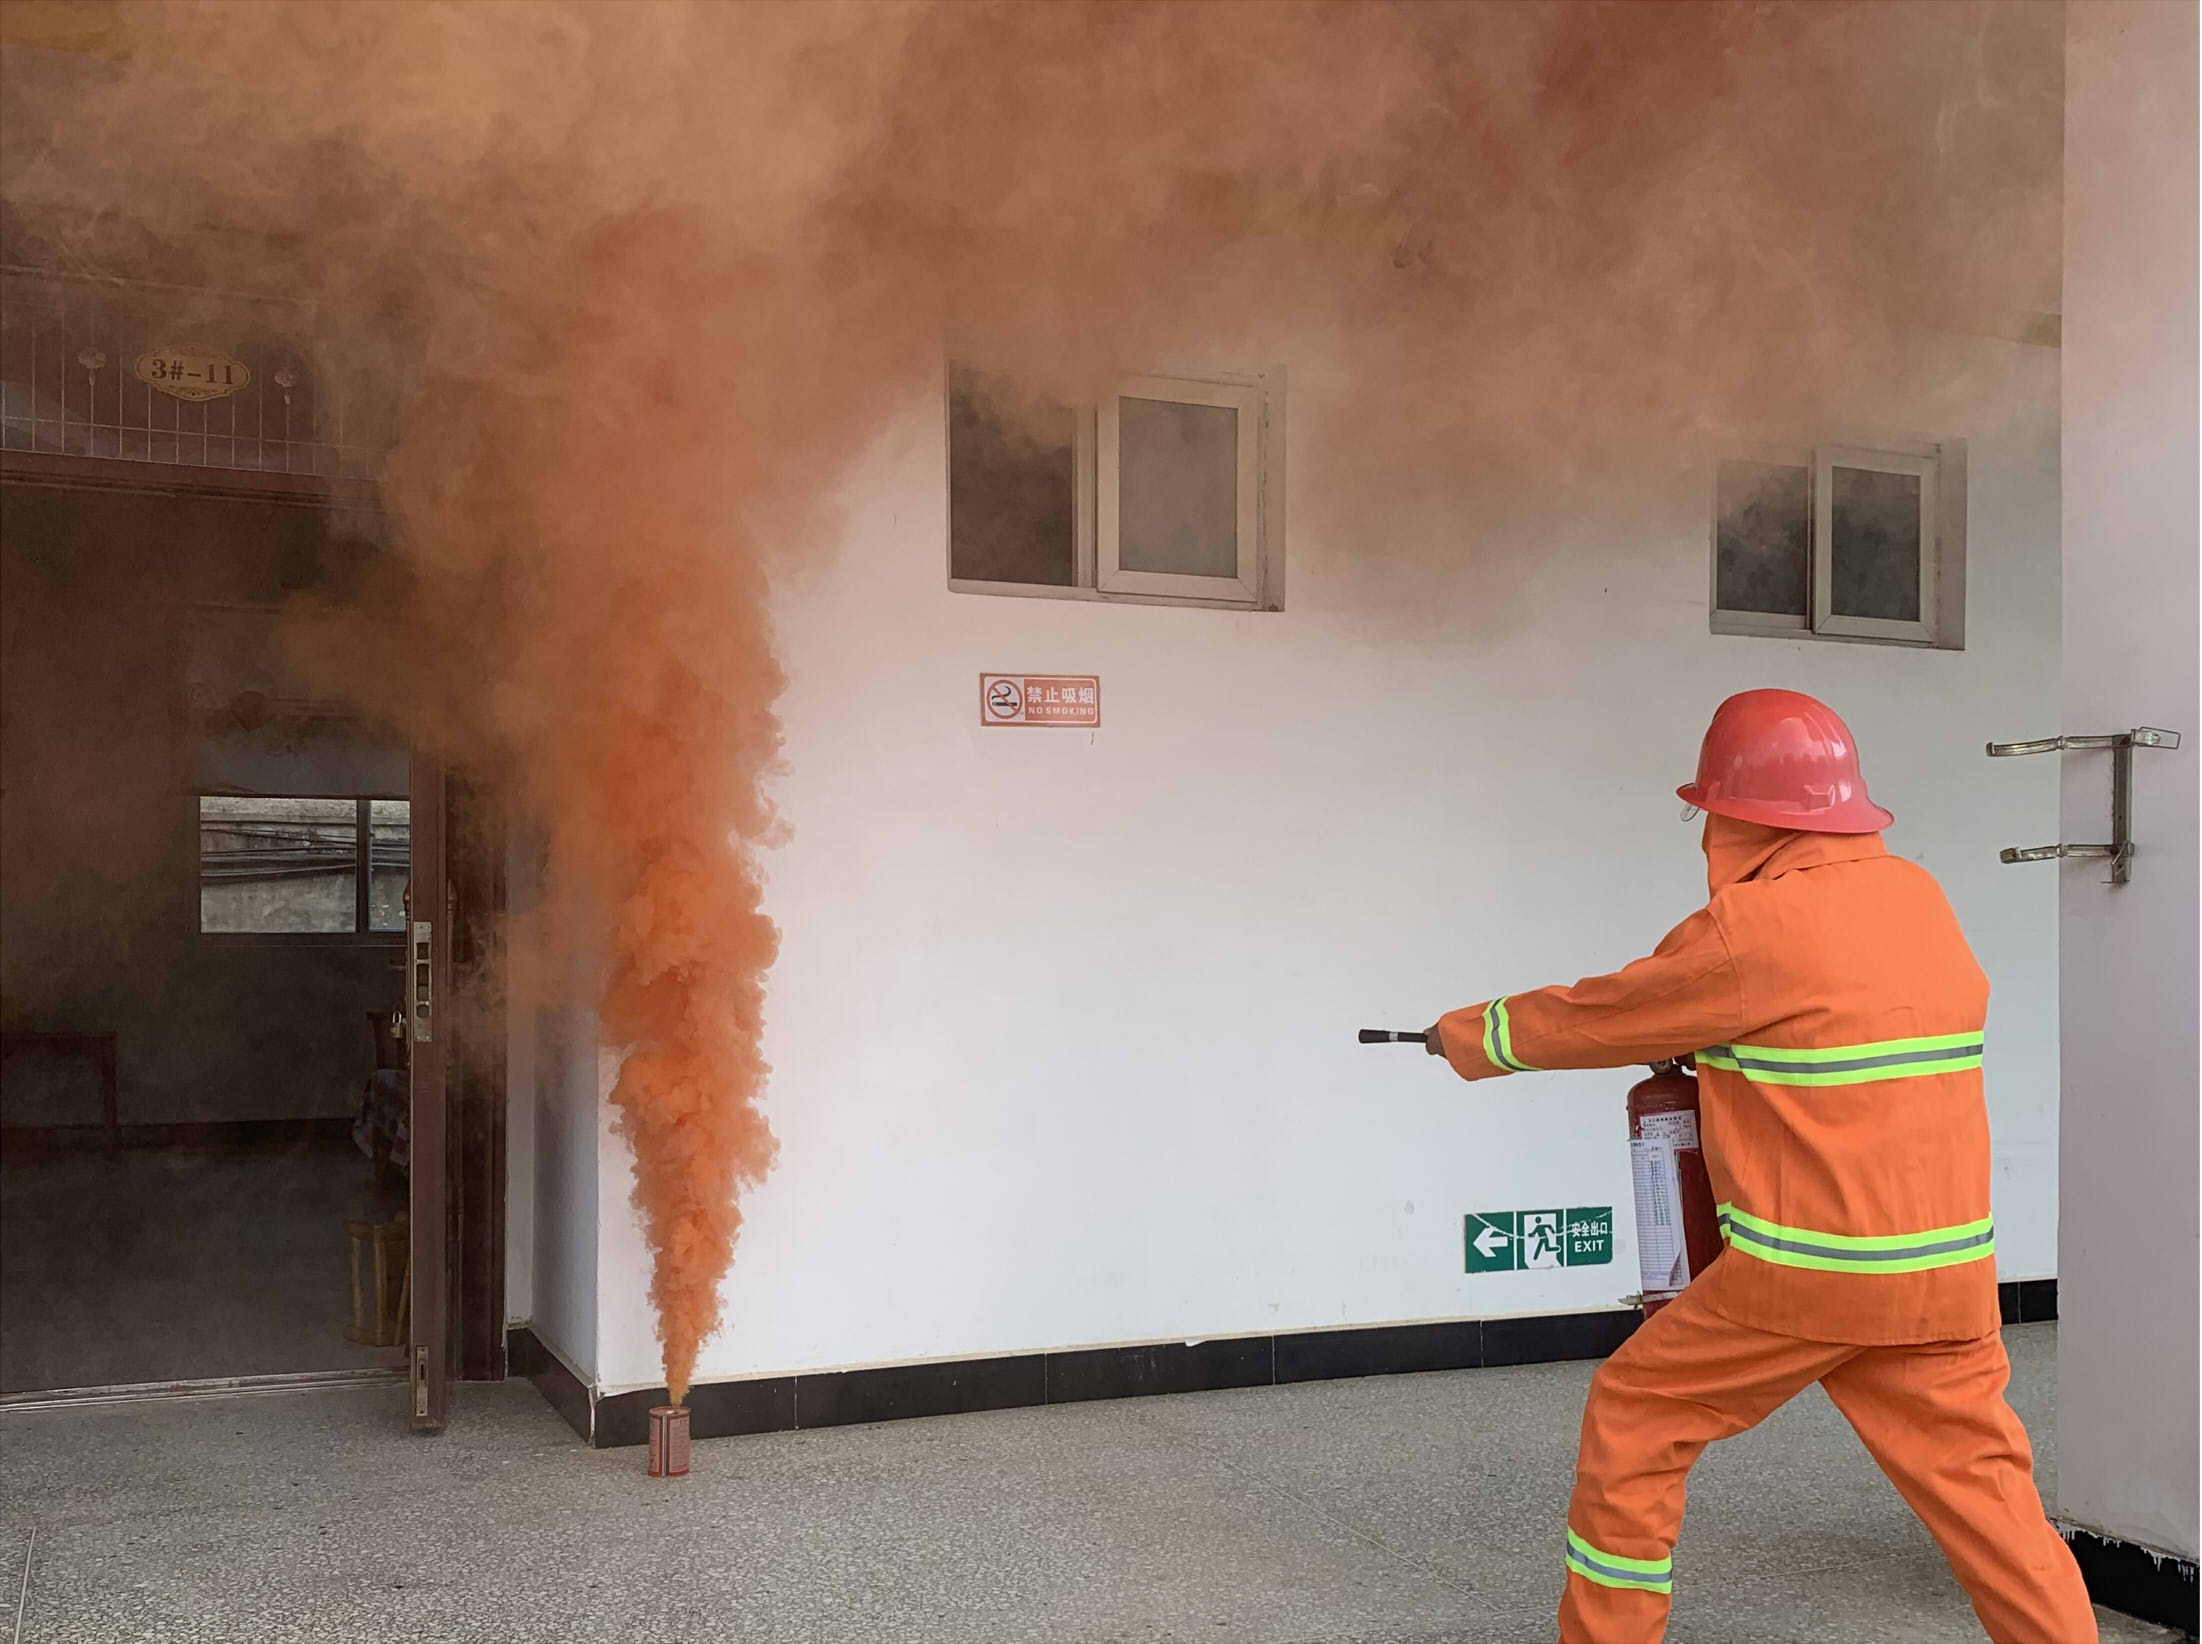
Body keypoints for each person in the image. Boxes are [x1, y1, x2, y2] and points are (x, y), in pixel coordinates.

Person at [1426, 689, 2096, 1644]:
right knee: (1993, 1508)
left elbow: (1603, 1015)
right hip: (1946, 1278)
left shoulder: (1755, 927)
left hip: (1808, 1275)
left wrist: (1462, 1036)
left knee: (1636, 1413)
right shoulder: (1920, 900)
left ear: (1739, 816)